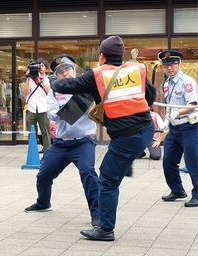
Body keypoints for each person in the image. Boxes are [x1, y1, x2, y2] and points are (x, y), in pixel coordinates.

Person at [51, 36, 156, 241]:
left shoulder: (96, 75)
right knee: (120, 162)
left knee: (107, 181)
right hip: (146, 129)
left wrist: (51, 80)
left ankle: (105, 229)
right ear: (122, 55)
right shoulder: (137, 70)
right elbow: (150, 96)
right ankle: (126, 164)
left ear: (101, 56)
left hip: (126, 138)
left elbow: (66, 86)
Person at [25, 56, 100, 227]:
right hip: (60, 143)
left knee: (88, 174)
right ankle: (43, 202)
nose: (65, 74)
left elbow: (65, 114)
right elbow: (50, 114)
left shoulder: (87, 88)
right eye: (60, 72)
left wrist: (66, 112)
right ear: (56, 75)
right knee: (44, 174)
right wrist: (73, 109)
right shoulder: (53, 91)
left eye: (68, 70)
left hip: (83, 142)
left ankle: (97, 215)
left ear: (75, 70)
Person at [158, 50, 198, 207]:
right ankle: (177, 190)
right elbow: (169, 104)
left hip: (189, 127)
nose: (169, 68)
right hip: (174, 128)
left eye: (173, 64)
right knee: (168, 161)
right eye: (166, 65)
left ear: (179, 64)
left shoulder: (187, 82)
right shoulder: (167, 84)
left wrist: (177, 112)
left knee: (193, 161)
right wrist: (167, 119)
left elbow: (192, 104)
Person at [22, 58, 51, 154]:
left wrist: (40, 79)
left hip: (43, 108)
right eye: (38, 66)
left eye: (42, 66)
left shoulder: (48, 79)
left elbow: (49, 91)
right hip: (31, 108)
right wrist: (28, 78)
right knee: (31, 132)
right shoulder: (30, 80)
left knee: (45, 131)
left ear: (46, 68)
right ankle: (32, 151)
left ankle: (47, 150)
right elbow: (26, 93)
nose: (40, 68)